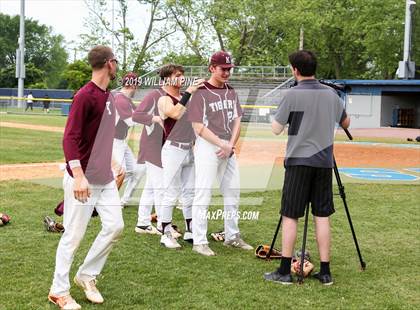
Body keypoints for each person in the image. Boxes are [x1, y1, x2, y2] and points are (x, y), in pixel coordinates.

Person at [264, 50, 350, 285]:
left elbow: (276, 128)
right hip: (323, 162)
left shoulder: (292, 94)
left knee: (290, 215)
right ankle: (325, 272)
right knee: (322, 215)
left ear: (296, 70)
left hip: (298, 162)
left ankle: (284, 270)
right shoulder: (330, 94)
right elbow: (346, 122)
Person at [48, 45, 123, 310]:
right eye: (116, 61)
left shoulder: (109, 97)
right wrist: (78, 175)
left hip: (105, 178)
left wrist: (114, 163)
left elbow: (102, 137)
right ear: (108, 63)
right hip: (84, 179)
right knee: (73, 236)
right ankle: (58, 291)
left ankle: (86, 276)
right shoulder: (85, 96)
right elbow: (70, 138)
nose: (117, 65)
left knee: (115, 227)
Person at [188, 51, 253, 256]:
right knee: (203, 192)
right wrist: (221, 144)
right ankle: (199, 240)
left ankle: (231, 236)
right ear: (212, 68)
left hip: (227, 145)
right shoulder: (200, 92)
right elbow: (198, 126)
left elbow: (237, 121)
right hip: (208, 145)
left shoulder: (231, 91)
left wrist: (231, 144)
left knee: (232, 191)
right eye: (223, 69)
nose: (227, 73)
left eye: (229, 69)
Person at [157, 64, 204, 249]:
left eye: (182, 75)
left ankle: (190, 229)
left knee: (190, 192)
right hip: (173, 149)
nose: (182, 78)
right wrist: (190, 92)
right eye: (177, 75)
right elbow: (175, 114)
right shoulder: (164, 99)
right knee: (170, 194)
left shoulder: (185, 97)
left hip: (188, 148)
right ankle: (165, 233)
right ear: (167, 78)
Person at [112, 72, 146, 207]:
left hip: (121, 142)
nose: (137, 89)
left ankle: (124, 201)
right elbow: (131, 121)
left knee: (136, 171)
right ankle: (104, 201)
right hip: (113, 142)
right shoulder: (120, 99)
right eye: (136, 85)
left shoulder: (126, 99)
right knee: (119, 173)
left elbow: (139, 113)